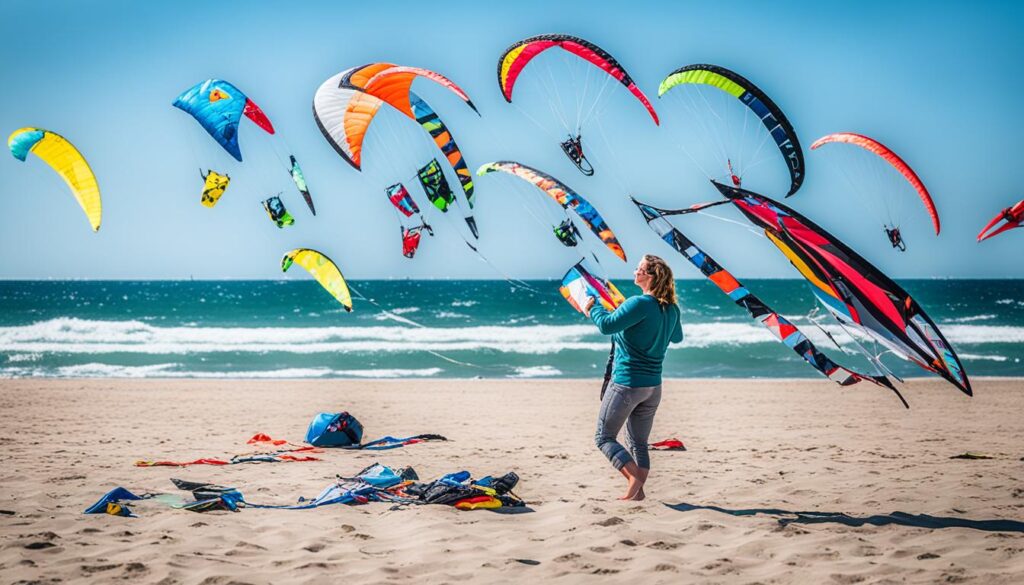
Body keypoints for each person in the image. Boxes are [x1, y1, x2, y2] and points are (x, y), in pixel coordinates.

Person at [584, 255, 683, 501]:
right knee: (638, 442)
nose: (635, 272)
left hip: (628, 384)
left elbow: (607, 325)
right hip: (653, 387)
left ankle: (633, 479)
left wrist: (592, 308)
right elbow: (677, 337)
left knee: (604, 437)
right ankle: (636, 493)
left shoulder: (638, 303)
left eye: (639, 269)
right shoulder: (671, 308)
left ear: (649, 277)